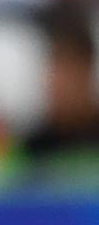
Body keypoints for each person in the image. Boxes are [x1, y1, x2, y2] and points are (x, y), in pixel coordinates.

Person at [15, 16, 99, 187]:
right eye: (55, 71)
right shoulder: (31, 146)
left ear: (87, 70)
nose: (58, 83)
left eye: (69, 72)